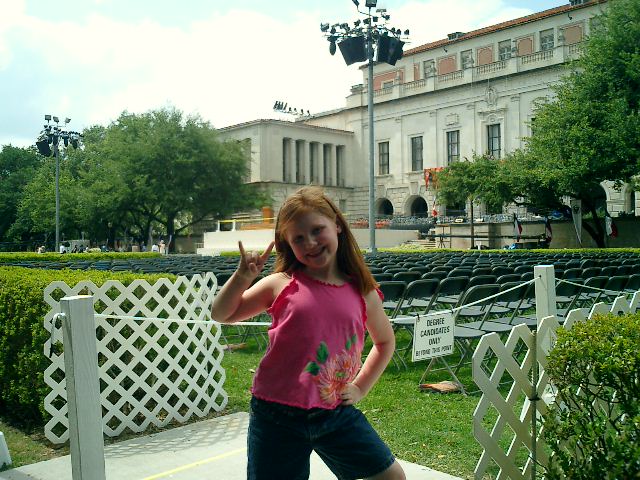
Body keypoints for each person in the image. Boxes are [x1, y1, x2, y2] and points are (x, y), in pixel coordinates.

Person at [211, 186, 405, 480]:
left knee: (390, 476)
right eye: (298, 238)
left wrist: (361, 387)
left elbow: (385, 342)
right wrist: (242, 278)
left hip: (334, 411)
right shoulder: (280, 283)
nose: (310, 243)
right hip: (276, 415)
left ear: (337, 225)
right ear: (288, 245)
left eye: (317, 230)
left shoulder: (363, 292)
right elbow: (221, 314)